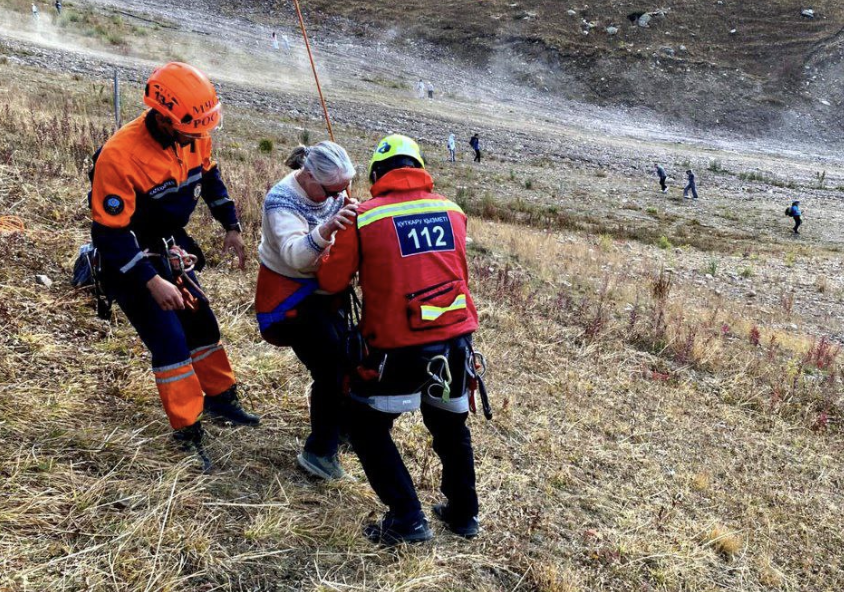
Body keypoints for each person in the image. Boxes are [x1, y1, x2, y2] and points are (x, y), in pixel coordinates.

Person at [89, 62, 257, 469]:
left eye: (203, 132)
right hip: (130, 257)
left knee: (202, 324)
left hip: (169, 243)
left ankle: (220, 399)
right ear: (164, 118)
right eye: (191, 131)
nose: (199, 139)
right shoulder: (120, 156)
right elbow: (109, 235)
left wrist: (231, 225)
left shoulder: (194, 136)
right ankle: (188, 427)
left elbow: (210, 177)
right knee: (169, 341)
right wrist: (151, 281)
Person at [318, 134, 481, 545]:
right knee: (450, 426)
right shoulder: (452, 210)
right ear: (420, 167)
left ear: (376, 175)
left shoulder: (364, 217)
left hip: (396, 348)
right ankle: (463, 514)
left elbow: (332, 280)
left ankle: (408, 518)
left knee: (365, 426)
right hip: (456, 342)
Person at [255, 142, 358, 480]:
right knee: (331, 366)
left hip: (326, 291)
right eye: (333, 190)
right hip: (288, 299)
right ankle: (319, 452)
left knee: (351, 355)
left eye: (345, 188)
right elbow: (295, 256)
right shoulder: (280, 202)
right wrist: (329, 228)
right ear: (310, 176)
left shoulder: (329, 191)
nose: (338, 196)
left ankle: (342, 429)